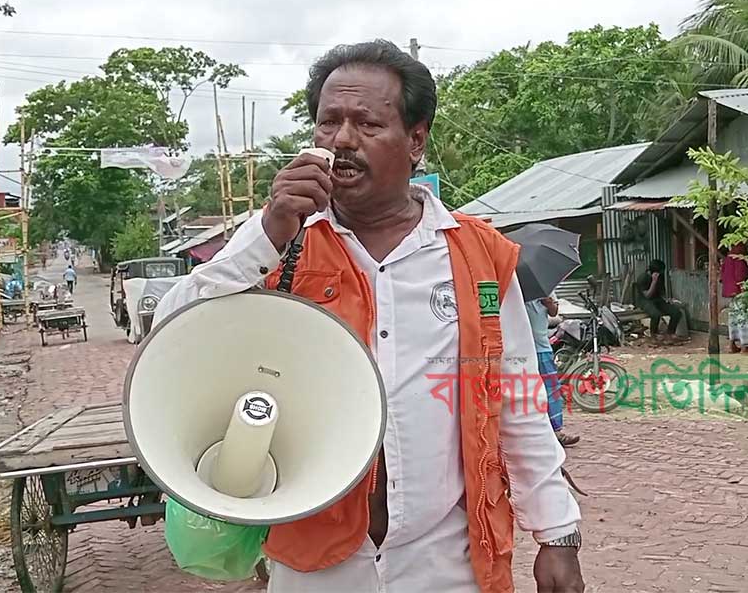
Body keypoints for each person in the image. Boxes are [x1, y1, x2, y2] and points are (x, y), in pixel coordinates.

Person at [154, 41, 584, 593]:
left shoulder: (478, 256)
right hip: (316, 561)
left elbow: (517, 400)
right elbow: (168, 334)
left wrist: (557, 533)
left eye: (368, 123)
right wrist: (267, 235)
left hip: (448, 558)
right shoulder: (276, 240)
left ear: (416, 141)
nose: (342, 141)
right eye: (328, 122)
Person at [525, 294, 580, 447]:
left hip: (541, 348)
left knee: (551, 390)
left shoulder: (544, 286)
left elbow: (554, 311)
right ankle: (530, 432)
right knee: (524, 392)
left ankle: (556, 432)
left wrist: (549, 303)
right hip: (520, 349)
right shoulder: (515, 284)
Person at [635, 259, 685, 342]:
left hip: (657, 299)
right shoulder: (643, 278)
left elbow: (662, 291)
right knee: (656, 314)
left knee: (676, 312)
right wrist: (654, 282)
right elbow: (647, 295)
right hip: (645, 300)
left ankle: (670, 333)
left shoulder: (660, 276)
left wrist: (667, 299)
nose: (661, 274)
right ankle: (653, 334)